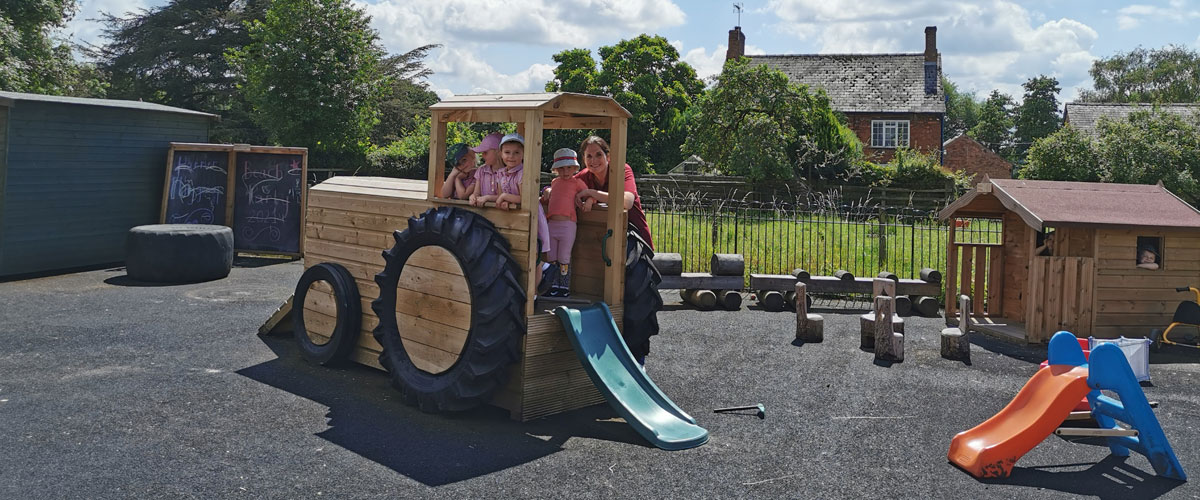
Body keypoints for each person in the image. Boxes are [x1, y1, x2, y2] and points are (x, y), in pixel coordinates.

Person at [570, 135, 654, 249]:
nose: (593, 160)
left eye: (598, 154)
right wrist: (547, 190)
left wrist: (591, 193)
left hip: (636, 241)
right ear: (584, 159)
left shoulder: (622, 170)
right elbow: (562, 187)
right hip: (601, 243)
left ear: (608, 156)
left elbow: (627, 202)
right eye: (589, 156)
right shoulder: (583, 176)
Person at [543, 148, 593, 297]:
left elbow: (589, 193)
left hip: (567, 224)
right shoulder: (554, 182)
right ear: (556, 169)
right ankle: (552, 285)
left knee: (564, 257)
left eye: (569, 167)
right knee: (551, 256)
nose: (565, 171)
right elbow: (547, 197)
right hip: (552, 224)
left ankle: (564, 287)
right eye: (562, 168)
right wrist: (546, 191)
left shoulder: (577, 183)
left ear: (575, 168)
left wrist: (589, 201)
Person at [468, 132, 503, 207]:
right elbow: (476, 193)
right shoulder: (481, 170)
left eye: (485, 152)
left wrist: (487, 198)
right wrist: (473, 197)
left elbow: (504, 196)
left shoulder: (507, 172)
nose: (482, 155)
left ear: (498, 152)